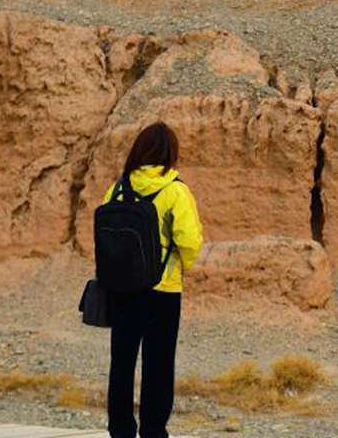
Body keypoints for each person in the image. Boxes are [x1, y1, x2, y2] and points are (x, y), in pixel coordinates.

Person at [103, 122, 204, 438]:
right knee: (158, 365)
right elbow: (189, 239)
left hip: (122, 288)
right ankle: (153, 431)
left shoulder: (119, 187)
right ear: (170, 153)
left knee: (121, 362)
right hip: (162, 289)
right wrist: (181, 267)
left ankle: (120, 430)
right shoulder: (175, 190)